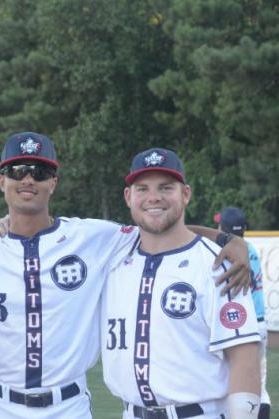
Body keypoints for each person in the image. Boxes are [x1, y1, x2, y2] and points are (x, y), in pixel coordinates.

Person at [0, 134, 251, 419]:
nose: (28, 179)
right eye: (17, 171)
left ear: (53, 182)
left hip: (68, 406)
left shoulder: (92, 237)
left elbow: (158, 225)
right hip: (2, 406)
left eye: (39, 172)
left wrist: (229, 240)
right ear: (2, 181)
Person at [101, 148, 261, 418]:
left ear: (185, 194)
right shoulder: (111, 254)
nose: (154, 197)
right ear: (128, 197)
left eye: (165, 188)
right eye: (142, 189)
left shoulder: (219, 264)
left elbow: (243, 357)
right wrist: (5, 224)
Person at [219, 206, 271, 419]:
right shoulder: (248, 248)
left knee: (233, 385)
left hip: (240, 325)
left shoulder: (227, 253)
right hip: (259, 322)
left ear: (221, 228)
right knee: (259, 386)